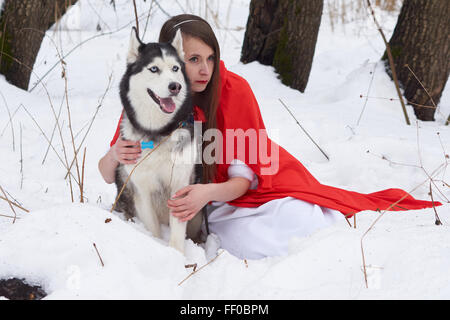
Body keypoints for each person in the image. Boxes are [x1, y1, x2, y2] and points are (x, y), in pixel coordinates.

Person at [99, 14, 441, 260]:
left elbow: (246, 177)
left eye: (210, 59)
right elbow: (106, 171)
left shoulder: (234, 90)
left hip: (249, 185)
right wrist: (117, 153)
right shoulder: (151, 96)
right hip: (216, 207)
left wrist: (206, 192)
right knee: (245, 243)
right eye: (192, 60)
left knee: (298, 220)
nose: (204, 69)